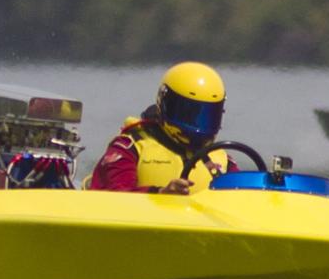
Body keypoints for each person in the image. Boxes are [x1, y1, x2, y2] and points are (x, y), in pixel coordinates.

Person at [89, 61, 234, 194]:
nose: (198, 126)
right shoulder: (130, 148)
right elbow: (114, 195)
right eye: (189, 114)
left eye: (207, 117)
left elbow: (245, 197)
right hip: (141, 220)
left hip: (200, 222)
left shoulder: (223, 159)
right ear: (165, 105)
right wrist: (161, 193)